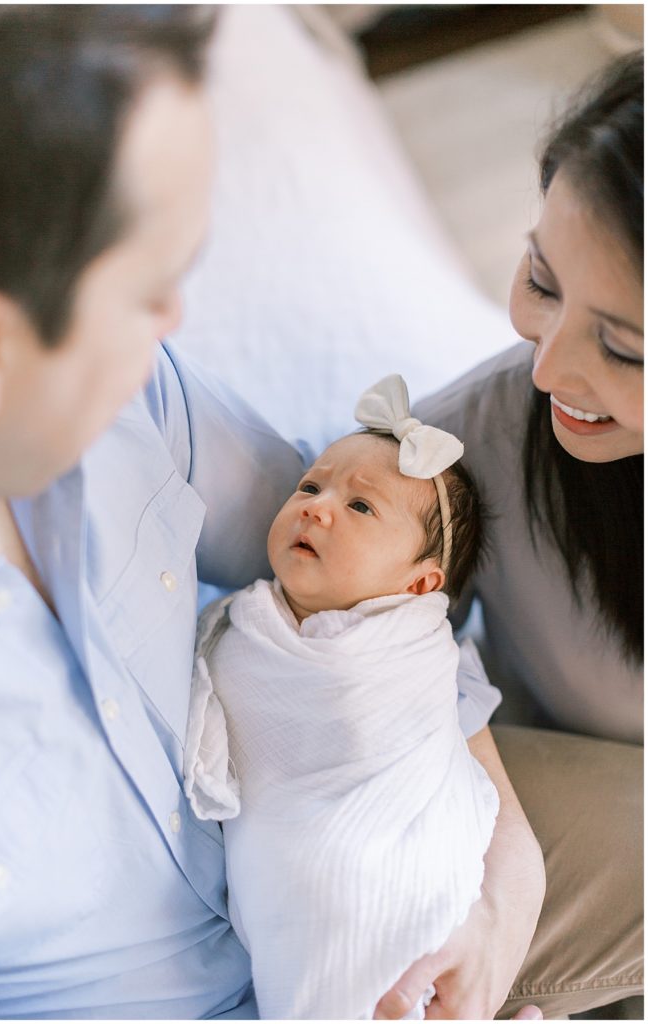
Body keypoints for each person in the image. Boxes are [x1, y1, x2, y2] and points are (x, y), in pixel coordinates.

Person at [0, 6, 542, 1021]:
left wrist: (499, 888)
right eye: (151, 289)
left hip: (406, 911)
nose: (179, 324)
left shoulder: (139, 403)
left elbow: (382, 594)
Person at [391, 50, 643, 1020]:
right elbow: (346, 653)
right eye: (540, 280)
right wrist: (503, 862)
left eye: (620, 346)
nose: (548, 369)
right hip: (535, 863)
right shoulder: (465, 443)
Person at [183, 375, 499, 1019]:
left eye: (361, 508)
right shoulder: (241, 623)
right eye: (309, 486)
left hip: (392, 837)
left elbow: (422, 738)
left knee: (355, 888)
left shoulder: (413, 648)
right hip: (287, 853)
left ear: (420, 587)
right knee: (310, 890)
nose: (316, 506)